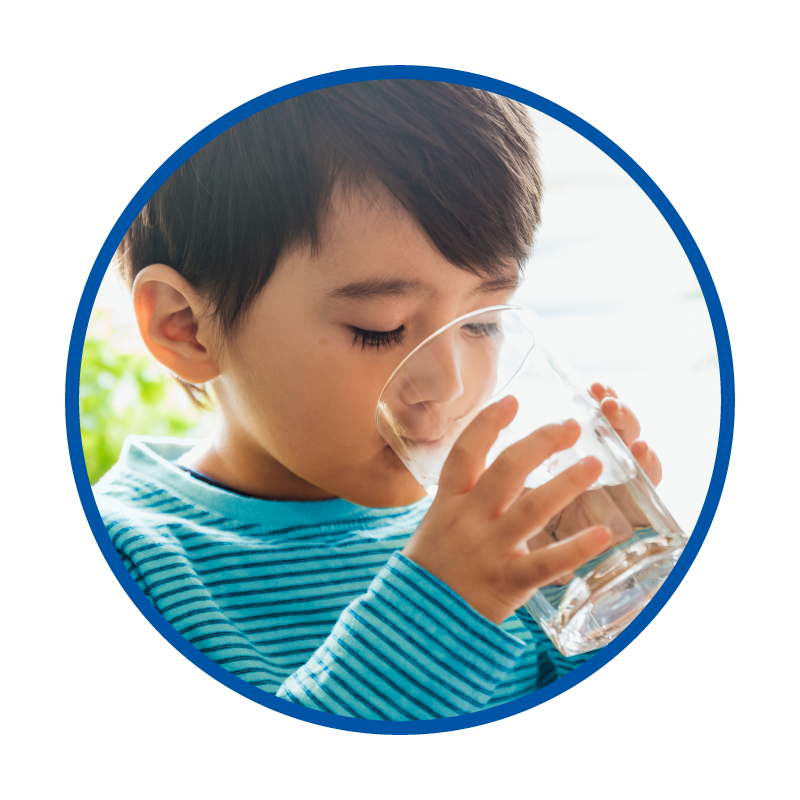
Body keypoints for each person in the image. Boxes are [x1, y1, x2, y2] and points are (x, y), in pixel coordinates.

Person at [93, 80, 662, 721]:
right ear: (187, 327)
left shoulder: (500, 526)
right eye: (381, 328)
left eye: (483, 322)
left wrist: (612, 601)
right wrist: (444, 605)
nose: (451, 386)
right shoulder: (123, 560)